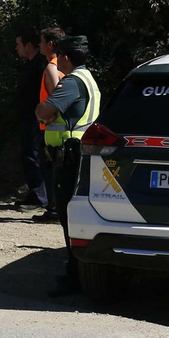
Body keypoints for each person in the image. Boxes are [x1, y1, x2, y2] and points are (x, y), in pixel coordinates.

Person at [36, 35, 102, 298]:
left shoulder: (72, 82)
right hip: (77, 155)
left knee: (68, 218)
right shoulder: (87, 77)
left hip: (69, 157)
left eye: (59, 55)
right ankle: (77, 272)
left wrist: (43, 110)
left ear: (65, 57)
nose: (56, 59)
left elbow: (43, 111)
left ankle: (74, 277)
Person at [31, 26, 65, 224]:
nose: (39, 45)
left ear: (51, 44)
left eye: (42, 41)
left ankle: (53, 210)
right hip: (55, 129)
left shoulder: (52, 67)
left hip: (51, 129)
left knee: (50, 171)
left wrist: (46, 117)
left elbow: (56, 98)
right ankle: (54, 208)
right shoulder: (62, 66)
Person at [13, 30, 49, 210]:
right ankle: (35, 192)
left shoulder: (41, 66)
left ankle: (40, 196)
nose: (16, 48)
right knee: (28, 155)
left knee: (33, 155)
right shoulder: (31, 64)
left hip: (36, 118)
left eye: (19, 44)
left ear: (28, 45)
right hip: (28, 117)